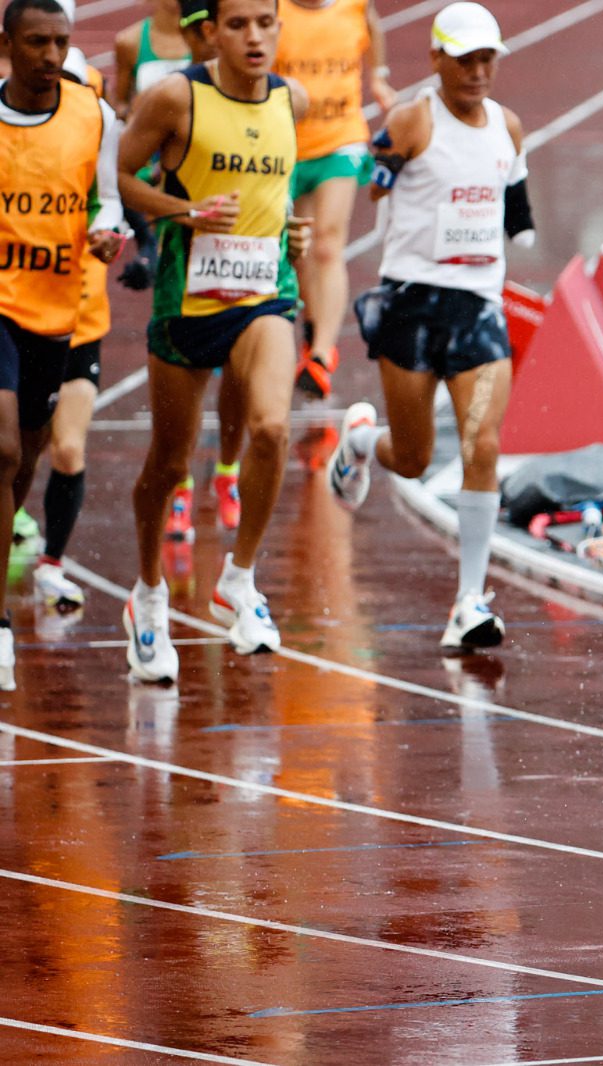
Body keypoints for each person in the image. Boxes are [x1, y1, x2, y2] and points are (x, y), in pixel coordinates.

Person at [327, 1, 530, 651]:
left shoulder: (510, 126)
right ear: (437, 59)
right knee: (412, 460)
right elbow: (374, 188)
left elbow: (516, 203)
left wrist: (518, 236)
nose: (477, 72)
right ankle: (362, 443)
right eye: (464, 59)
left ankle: (469, 599)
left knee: (483, 446)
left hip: (478, 306)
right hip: (412, 302)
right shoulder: (413, 120)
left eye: (487, 60)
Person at [117, 0, 310, 680]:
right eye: (238, 25)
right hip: (186, 300)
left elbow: (276, 188)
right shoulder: (176, 98)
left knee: (271, 429)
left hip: (265, 292)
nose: (254, 37)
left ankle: (241, 577)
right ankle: (146, 594)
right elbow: (123, 179)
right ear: (212, 32)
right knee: (168, 465)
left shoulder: (295, 100)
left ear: (280, 26)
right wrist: (184, 211)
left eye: (265, 22)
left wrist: (293, 227)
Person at [0, 0, 123, 688]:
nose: (50, 55)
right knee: (5, 446)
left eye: (60, 43)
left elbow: (109, 200)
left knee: (24, 465)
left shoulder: (92, 114)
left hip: (56, 310)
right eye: (36, 42)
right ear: (7, 44)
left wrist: (108, 233)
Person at [31, 44, 121, 615]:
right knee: (15, 450)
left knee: (67, 448)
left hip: (82, 322)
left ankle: (51, 564)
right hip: (18, 318)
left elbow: (121, 205)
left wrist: (129, 245)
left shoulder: (99, 142)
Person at [276, 0, 395, 401]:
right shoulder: (274, 11)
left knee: (328, 245)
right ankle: (314, 328)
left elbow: (373, 27)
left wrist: (378, 77)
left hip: (340, 141)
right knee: (300, 251)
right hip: (287, 145)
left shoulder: (354, 5)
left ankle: (323, 354)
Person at [113, 0, 189, 119]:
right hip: (149, 132)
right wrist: (131, 114)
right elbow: (120, 103)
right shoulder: (129, 42)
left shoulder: (205, 39)